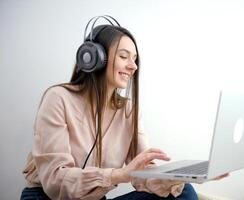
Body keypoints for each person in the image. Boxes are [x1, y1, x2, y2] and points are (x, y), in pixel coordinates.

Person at [21, 16, 226, 200]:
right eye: (124, 56)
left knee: (185, 191)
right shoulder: (58, 98)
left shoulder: (128, 110)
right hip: (46, 197)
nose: (133, 66)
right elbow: (55, 181)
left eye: (135, 59)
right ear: (93, 57)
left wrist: (181, 177)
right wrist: (120, 174)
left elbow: (144, 174)